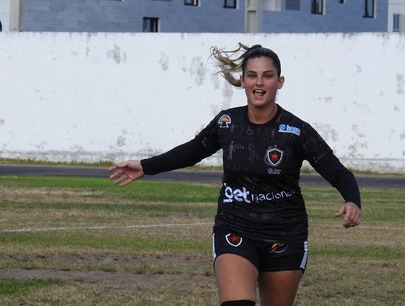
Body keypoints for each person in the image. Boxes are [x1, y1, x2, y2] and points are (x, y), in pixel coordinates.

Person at [109, 43, 362, 306]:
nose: (259, 82)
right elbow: (192, 151)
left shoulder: (297, 131)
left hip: (286, 233)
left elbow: (338, 172)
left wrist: (352, 200)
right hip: (235, 227)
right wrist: (146, 166)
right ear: (242, 80)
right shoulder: (227, 123)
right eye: (252, 75)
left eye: (267, 75)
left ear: (280, 82)